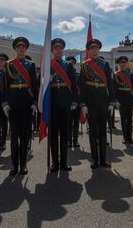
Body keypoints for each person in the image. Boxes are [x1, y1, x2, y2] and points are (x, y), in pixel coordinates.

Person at [2, 37, 39, 176]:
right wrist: (4, 103)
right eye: (19, 47)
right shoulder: (8, 64)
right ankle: (14, 165)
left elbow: (34, 85)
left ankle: (23, 164)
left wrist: (35, 102)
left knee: (24, 136)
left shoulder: (31, 64)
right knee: (14, 136)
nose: (21, 49)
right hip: (12, 104)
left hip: (26, 103)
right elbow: (5, 85)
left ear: (26, 49)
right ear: (15, 49)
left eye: (23, 47)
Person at [79, 38, 115, 169]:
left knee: (103, 131)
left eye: (96, 49)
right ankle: (94, 158)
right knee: (93, 131)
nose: (94, 51)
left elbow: (110, 84)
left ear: (99, 50)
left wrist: (112, 102)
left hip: (103, 102)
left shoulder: (105, 65)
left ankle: (103, 158)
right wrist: (82, 104)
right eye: (91, 49)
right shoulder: (84, 65)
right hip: (90, 103)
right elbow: (81, 86)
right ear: (88, 51)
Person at [49, 38, 77, 172]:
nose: (58, 50)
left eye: (60, 47)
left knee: (65, 134)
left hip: (65, 102)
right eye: (55, 47)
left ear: (62, 50)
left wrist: (74, 101)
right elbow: (40, 85)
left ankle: (64, 162)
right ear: (52, 50)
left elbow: (74, 84)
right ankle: (55, 162)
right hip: (52, 103)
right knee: (53, 134)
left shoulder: (69, 65)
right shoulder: (47, 65)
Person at [114, 56, 133, 145]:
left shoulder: (130, 74)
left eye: (124, 62)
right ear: (119, 64)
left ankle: (130, 137)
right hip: (121, 98)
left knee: (130, 119)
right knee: (123, 119)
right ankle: (124, 137)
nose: (123, 64)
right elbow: (114, 89)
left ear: (127, 64)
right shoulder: (116, 74)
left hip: (129, 98)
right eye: (121, 63)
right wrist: (116, 100)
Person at [66, 56, 81, 149]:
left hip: (76, 101)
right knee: (67, 123)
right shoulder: (63, 74)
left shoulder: (78, 75)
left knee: (76, 123)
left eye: (72, 62)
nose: (70, 63)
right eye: (68, 62)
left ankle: (75, 140)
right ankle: (68, 141)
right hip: (67, 101)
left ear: (74, 64)